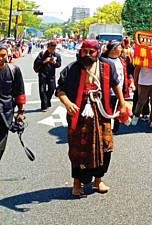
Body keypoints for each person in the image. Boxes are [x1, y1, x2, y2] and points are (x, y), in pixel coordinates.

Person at [56, 39, 131, 197]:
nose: (87, 55)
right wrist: (68, 103)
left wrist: (123, 104)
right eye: (85, 51)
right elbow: (60, 90)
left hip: (102, 113)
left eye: (91, 52)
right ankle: (77, 182)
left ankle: (98, 179)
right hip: (79, 114)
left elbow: (115, 84)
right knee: (78, 149)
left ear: (98, 51)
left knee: (105, 146)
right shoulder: (72, 69)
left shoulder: (106, 67)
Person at [100, 40, 135, 133]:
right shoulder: (103, 61)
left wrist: (131, 82)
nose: (121, 49)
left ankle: (113, 130)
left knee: (118, 111)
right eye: (119, 47)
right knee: (107, 112)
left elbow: (129, 72)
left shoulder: (122, 60)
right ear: (113, 49)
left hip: (120, 91)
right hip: (107, 92)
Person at [0, 45, 26, 161]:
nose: (0, 58)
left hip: (5, 113)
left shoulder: (13, 70)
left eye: (3, 55)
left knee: (0, 146)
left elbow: (19, 92)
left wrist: (20, 112)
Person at [33, 41, 62, 112]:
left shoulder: (57, 55)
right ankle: (44, 106)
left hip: (51, 75)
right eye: (50, 49)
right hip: (42, 74)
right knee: (42, 90)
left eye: (53, 49)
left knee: (52, 88)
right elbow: (36, 62)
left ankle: (47, 101)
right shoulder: (42, 54)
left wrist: (54, 63)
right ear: (47, 48)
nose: (52, 50)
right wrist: (44, 61)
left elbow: (59, 64)